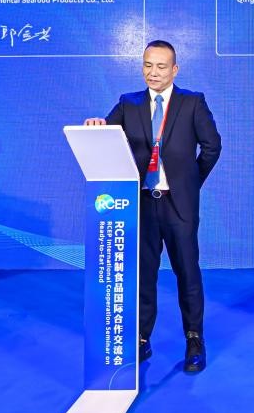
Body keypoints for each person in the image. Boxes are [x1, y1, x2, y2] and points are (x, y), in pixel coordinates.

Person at [85, 40, 221, 372]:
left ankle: (194, 340)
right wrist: (97, 126)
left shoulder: (192, 102)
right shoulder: (128, 103)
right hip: (143, 203)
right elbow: (106, 136)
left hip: (179, 205)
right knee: (143, 274)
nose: (153, 72)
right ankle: (142, 338)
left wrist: (189, 183)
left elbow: (212, 147)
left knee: (187, 273)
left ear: (174, 69)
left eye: (161, 66)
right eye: (148, 65)